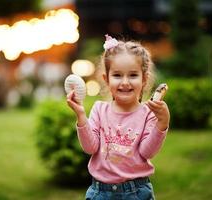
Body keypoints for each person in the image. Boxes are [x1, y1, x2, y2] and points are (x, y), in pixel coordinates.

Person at [66, 34, 170, 200]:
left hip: (137, 192)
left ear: (144, 79)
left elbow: (146, 152)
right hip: (100, 192)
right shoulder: (99, 110)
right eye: (117, 75)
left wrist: (162, 124)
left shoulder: (148, 114)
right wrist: (80, 115)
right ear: (106, 79)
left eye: (133, 75)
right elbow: (90, 148)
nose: (125, 82)